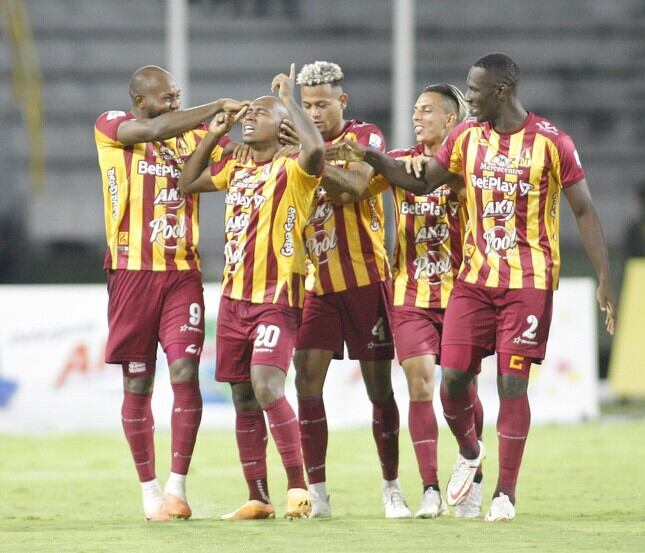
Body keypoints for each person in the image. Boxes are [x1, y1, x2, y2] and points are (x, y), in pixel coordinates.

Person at [327, 52, 617, 522]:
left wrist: (604, 277)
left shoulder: (552, 142)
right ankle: (470, 449)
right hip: (474, 281)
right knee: (454, 378)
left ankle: (505, 493)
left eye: (476, 90)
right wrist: (372, 157)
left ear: (501, 91)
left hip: (529, 281)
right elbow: (420, 184)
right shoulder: (466, 138)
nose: (470, 99)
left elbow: (583, 209)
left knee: (511, 383)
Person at [94, 65, 247, 521]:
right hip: (131, 272)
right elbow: (158, 127)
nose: (174, 102)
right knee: (138, 381)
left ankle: (178, 488)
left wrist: (267, 124)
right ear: (141, 102)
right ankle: (149, 491)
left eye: (178, 95)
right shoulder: (112, 126)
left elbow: (244, 152)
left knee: (184, 370)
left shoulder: (193, 136)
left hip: (181, 273)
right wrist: (216, 108)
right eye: (166, 97)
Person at [177, 65, 325, 520]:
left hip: (276, 298)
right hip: (235, 299)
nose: (249, 117)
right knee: (243, 395)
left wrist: (291, 99)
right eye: (249, 113)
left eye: (260, 113)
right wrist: (212, 133)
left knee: (266, 385)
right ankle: (257, 496)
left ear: (281, 125)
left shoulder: (295, 169)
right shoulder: (236, 168)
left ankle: (300, 490)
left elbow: (316, 147)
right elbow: (187, 182)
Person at [340, 83, 484, 518]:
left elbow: (464, 188)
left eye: (426, 111)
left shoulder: (471, 163)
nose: (417, 117)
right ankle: (429, 489)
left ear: (451, 120)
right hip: (409, 291)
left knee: (460, 388)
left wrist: (441, 170)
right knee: (419, 383)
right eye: (415, 110)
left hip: (463, 290)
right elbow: (358, 188)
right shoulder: (399, 162)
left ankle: (472, 467)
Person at [292, 60, 410, 519]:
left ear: (342, 102)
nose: (315, 113)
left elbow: (358, 188)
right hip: (316, 284)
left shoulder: (366, 136)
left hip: (364, 279)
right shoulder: (297, 144)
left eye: (322, 104)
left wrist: (309, 160)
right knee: (306, 383)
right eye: (306, 106)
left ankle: (392, 487)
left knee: (379, 389)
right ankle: (317, 493)